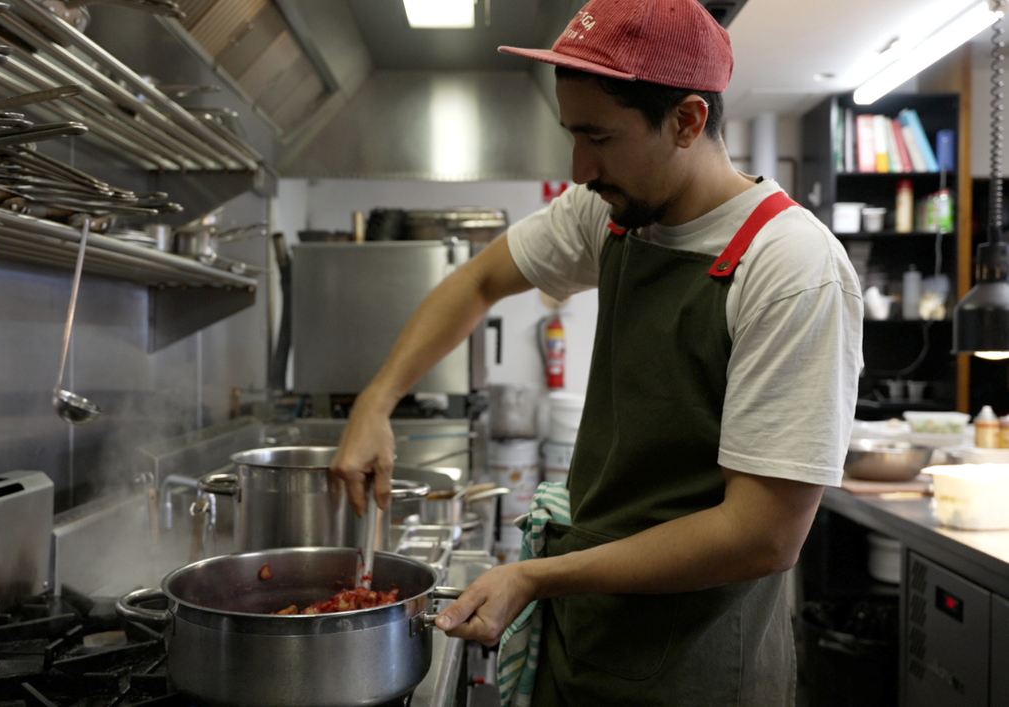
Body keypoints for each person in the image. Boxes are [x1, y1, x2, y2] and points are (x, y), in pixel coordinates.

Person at [331, 0, 863, 703]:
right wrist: (376, 401)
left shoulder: (790, 267)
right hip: (585, 638)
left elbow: (761, 534)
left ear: (688, 121)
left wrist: (538, 575)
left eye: (599, 137)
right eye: (571, 134)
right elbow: (478, 279)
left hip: (696, 666)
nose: (580, 167)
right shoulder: (610, 216)